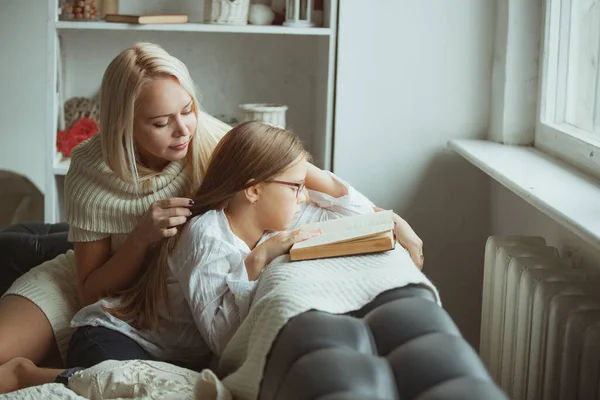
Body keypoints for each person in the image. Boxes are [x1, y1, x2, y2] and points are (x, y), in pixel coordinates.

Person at [1, 121, 423, 393]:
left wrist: (337, 189)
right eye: (295, 185)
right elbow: (224, 340)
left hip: (170, 349)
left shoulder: (274, 209)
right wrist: (260, 261)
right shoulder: (206, 236)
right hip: (113, 337)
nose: (305, 195)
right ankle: (29, 375)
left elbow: (348, 211)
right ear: (254, 189)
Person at [0, 41, 231, 393]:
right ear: (125, 124)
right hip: (83, 284)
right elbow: (89, 289)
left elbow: (289, 166)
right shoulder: (91, 169)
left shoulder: (209, 139)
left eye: (188, 109)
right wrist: (140, 238)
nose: (183, 129)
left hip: (143, 309)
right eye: (161, 122)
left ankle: (34, 373)